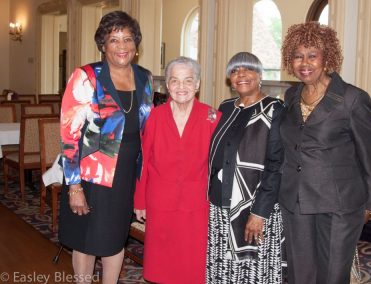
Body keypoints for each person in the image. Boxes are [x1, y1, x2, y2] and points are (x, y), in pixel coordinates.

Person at [279, 22, 371, 284]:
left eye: (312, 55)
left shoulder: (352, 98)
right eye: (298, 55)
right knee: (300, 274)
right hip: (296, 200)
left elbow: (369, 154)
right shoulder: (290, 95)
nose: (305, 63)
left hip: (339, 203)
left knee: (332, 275)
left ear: (327, 57)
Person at [59, 11, 153, 283]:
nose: (121, 46)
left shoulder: (145, 77)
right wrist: (74, 186)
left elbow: (148, 127)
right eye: (114, 40)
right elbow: (69, 135)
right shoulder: (86, 76)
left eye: (127, 39)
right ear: (103, 45)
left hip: (125, 176)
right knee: (86, 240)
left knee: (115, 238)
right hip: (90, 177)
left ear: (136, 45)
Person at [134, 56, 221, 284]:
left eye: (188, 80)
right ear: (167, 85)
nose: (181, 87)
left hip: (197, 203)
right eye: (175, 81)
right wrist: (140, 200)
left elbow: (220, 165)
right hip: (160, 201)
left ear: (198, 84)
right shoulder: (153, 117)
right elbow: (143, 161)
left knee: (193, 265)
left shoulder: (213, 117)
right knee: (162, 265)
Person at [206, 52, 285, 284]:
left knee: (252, 271)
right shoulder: (226, 107)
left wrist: (259, 212)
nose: (240, 75)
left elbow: (276, 165)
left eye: (247, 69)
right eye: (234, 71)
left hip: (253, 207)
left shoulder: (275, 109)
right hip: (219, 204)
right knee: (222, 269)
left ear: (259, 75)